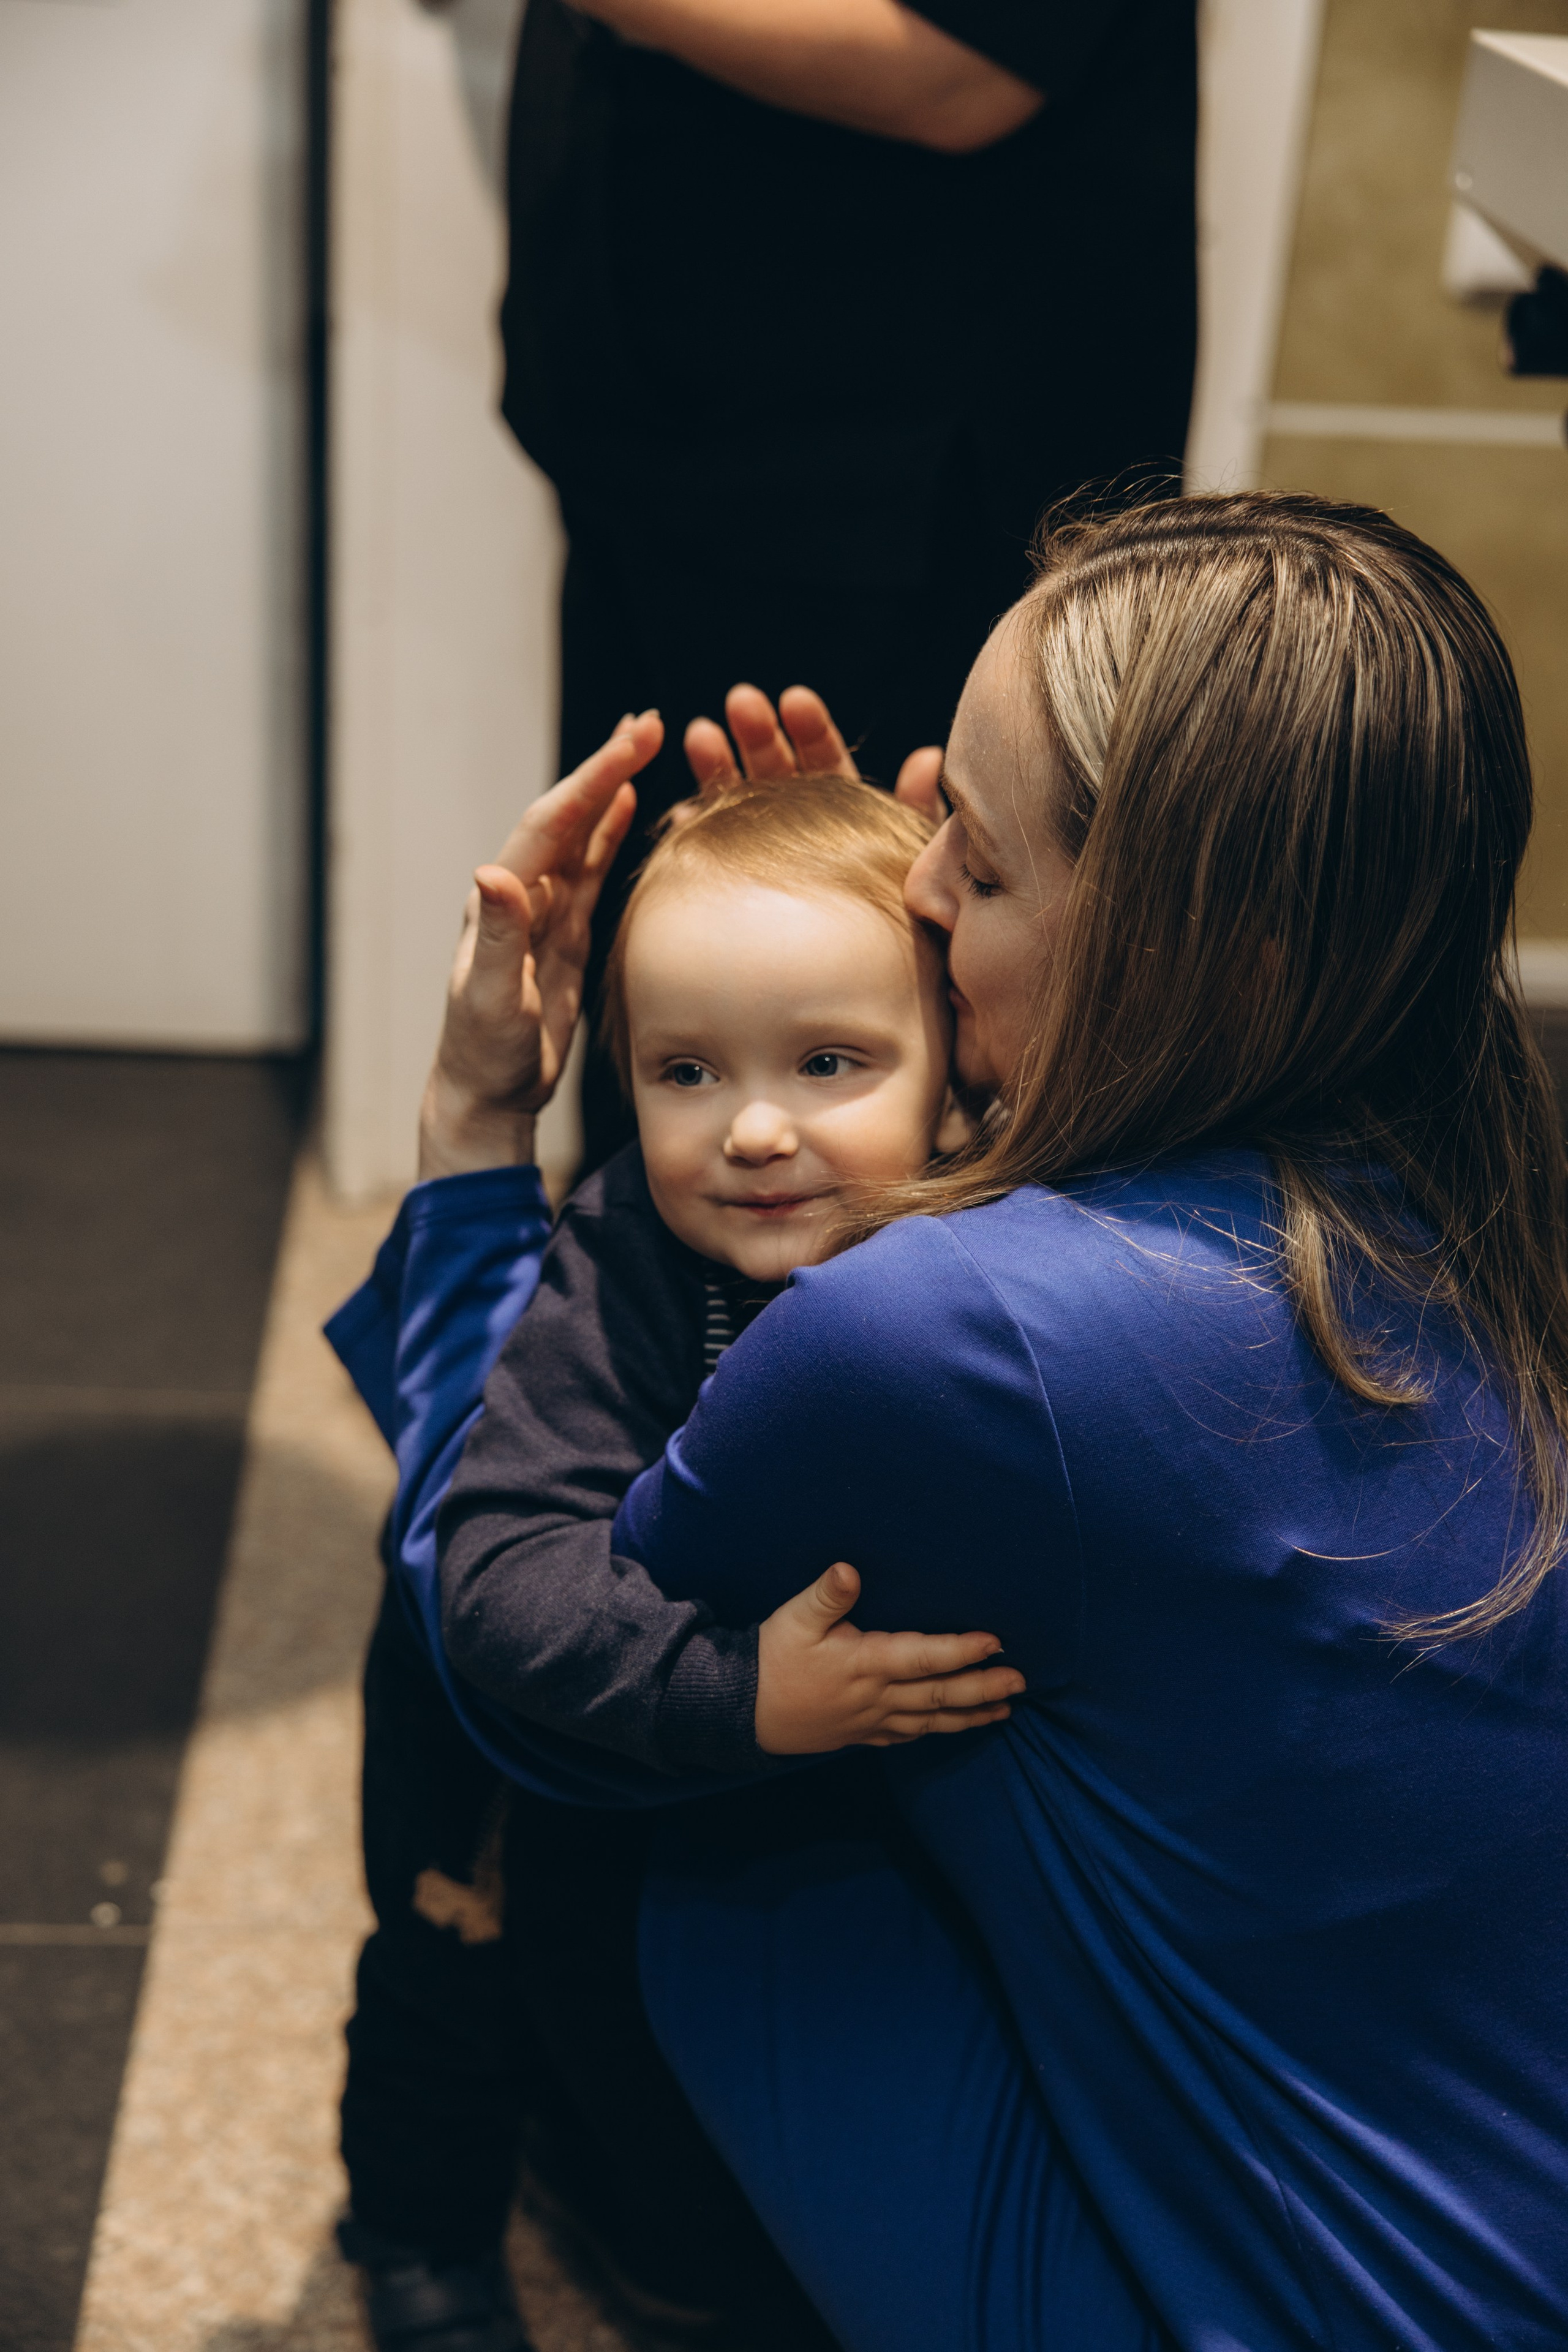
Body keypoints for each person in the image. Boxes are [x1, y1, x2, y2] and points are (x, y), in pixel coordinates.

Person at [409, 492, 1568, 2346]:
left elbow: (501, 1639)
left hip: (1245, 2306)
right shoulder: (1454, 1189)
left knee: (698, 1811)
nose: (926, 891)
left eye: (985, 861)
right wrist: (863, 996)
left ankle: (580, 2208)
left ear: (1196, 948)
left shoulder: (949, 1332)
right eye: (936, 820)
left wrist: (475, 1151)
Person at [328, 716, 1014, 2350]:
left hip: (737, 1758)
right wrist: (738, 1694)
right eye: (685, 1072)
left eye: (829, 1063)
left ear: (959, 1070)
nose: (753, 1130)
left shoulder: (981, 1218)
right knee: (458, 1970)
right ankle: (416, 2231)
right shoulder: (626, 1260)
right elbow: (497, 1578)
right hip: (507, 1744)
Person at [499, 0, 1199, 1163]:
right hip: (664, 434)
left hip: (880, 472)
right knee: (673, 977)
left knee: (865, 1031)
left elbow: (972, 64)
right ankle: (637, 1261)